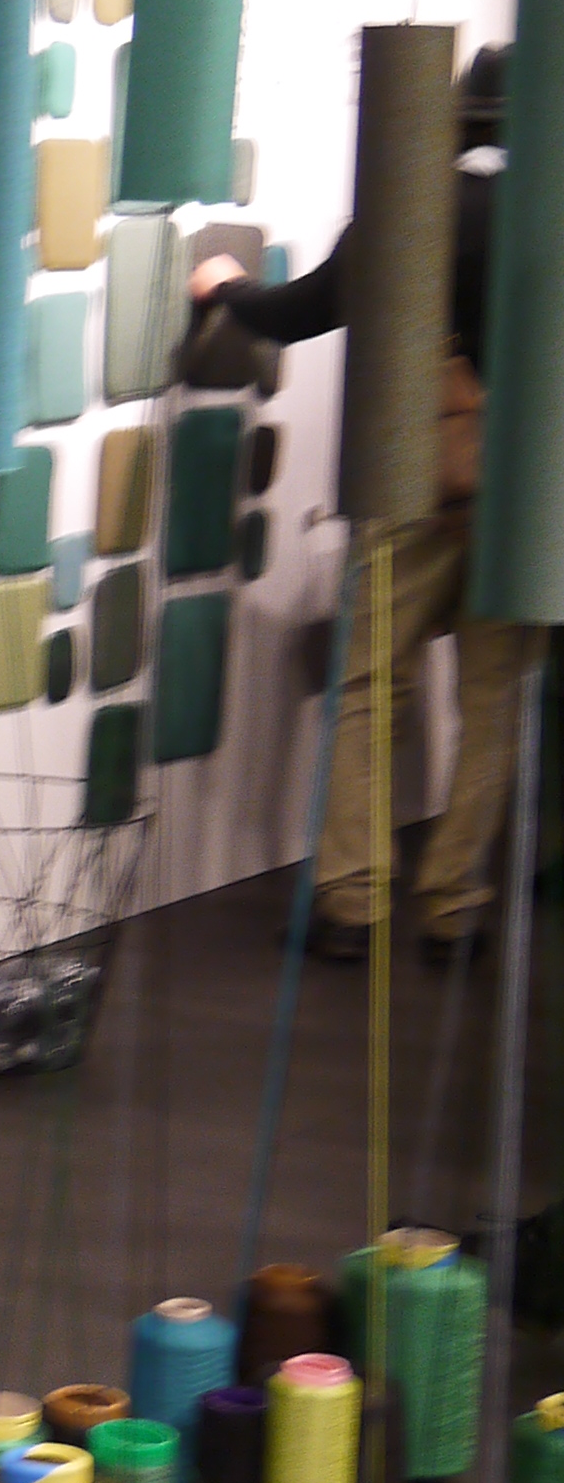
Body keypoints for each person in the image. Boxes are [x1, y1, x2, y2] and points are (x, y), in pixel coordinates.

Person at [189, 47, 540, 966]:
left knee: (371, 689)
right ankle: (456, 906)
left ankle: (354, 901)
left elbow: (298, 312)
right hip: (523, 498)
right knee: (494, 703)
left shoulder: (413, 205)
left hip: (413, 477)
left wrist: (225, 287)